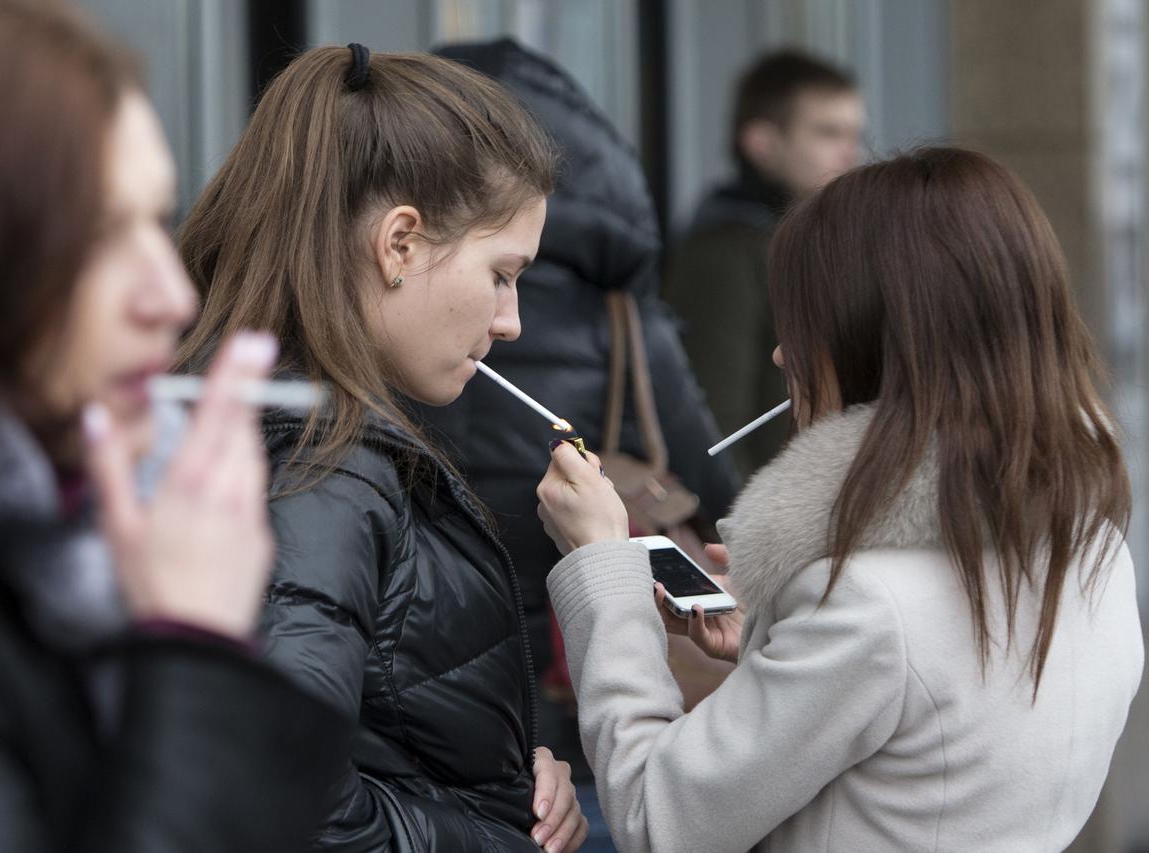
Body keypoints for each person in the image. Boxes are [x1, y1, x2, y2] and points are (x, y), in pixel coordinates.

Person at [535, 147, 1144, 852]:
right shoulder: (1092, 547)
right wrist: (776, 641)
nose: (782, 354)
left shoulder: (866, 604)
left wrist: (603, 568)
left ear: (874, 335)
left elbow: (655, 815)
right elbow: (924, 736)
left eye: (804, 319)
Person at [0, 1, 346, 851]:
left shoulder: (54, 552)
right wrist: (195, 646)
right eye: (97, 237)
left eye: (157, 223)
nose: (171, 296)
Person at [175, 44, 586, 853]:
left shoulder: (283, 433)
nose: (510, 322)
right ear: (400, 243)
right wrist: (498, 830)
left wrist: (507, 777)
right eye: (502, 273)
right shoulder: (319, 466)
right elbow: (284, 801)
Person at [418, 35, 740, 723]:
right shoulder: (624, 325)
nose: (509, 322)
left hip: (434, 703)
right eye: (499, 276)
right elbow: (714, 489)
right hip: (581, 692)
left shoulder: (372, 323)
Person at [662, 50, 864, 479]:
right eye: (829, 133)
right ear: (762, 143)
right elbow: (717, 428)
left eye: (854, 134)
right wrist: (748, 534)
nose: (851, 152)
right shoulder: (726, 251)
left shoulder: (821, 241)